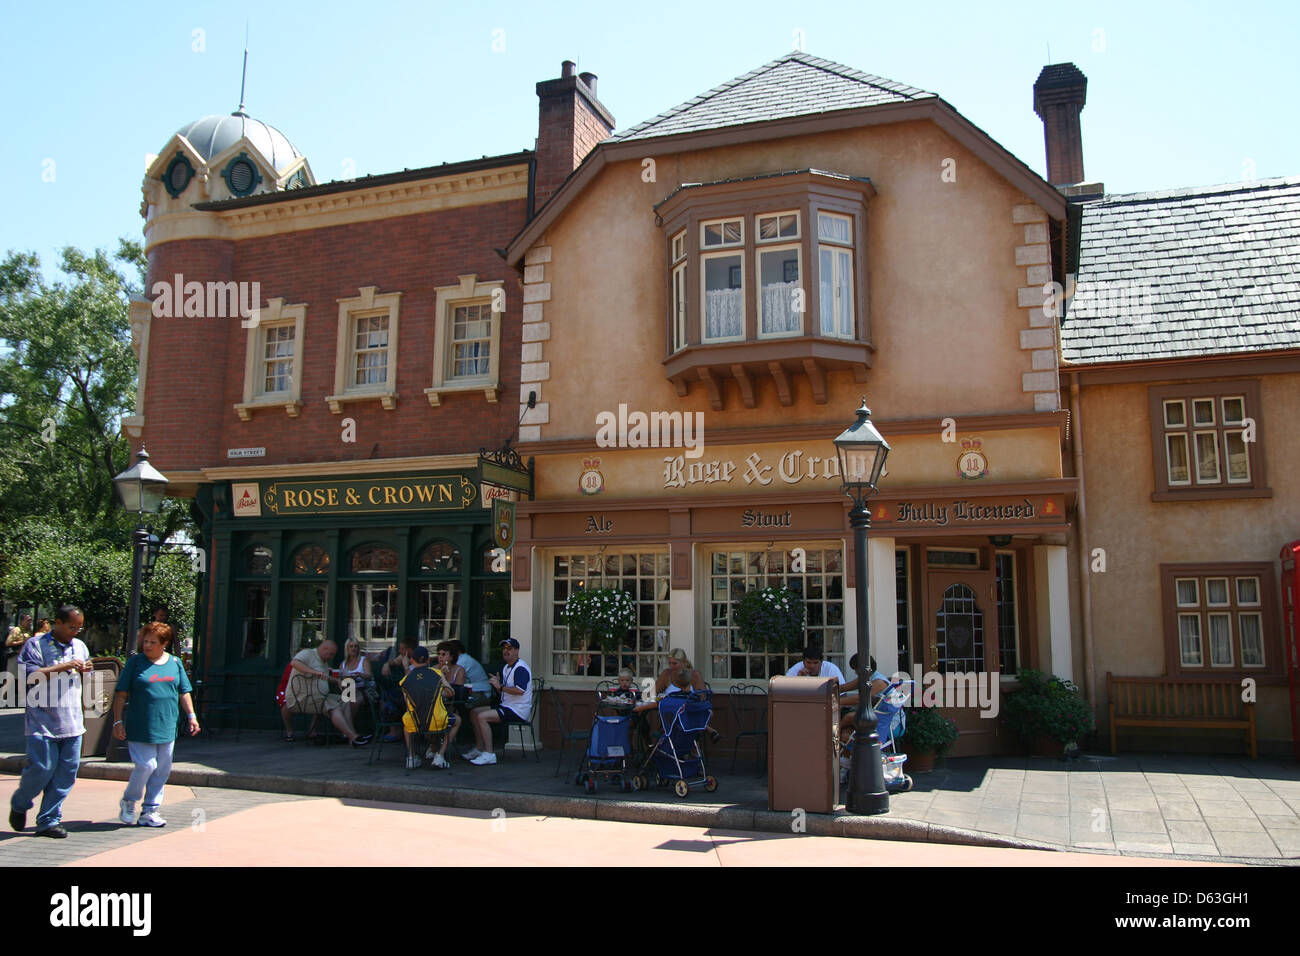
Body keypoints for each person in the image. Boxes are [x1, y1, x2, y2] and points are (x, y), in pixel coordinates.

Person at [8, 606, 91, 838]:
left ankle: (49, 820)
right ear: (58, 622)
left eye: (79, 627)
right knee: (42, 768)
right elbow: (29, 675)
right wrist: (63, 666)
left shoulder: (80, 647)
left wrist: (87, 669)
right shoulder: (36, 645)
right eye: (71, 626)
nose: (75, 631)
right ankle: (20, 802)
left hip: (72, 721)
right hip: (41, 720)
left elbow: (87, 675)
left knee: (66, 774)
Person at [112, 622, 199, 826]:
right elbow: (121, 694)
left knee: (162, 769)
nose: (147, 646)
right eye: (145, 641)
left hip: (167, 724)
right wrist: (118, 721)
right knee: (146, 765)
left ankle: (150, 810)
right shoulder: (135, 663)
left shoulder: (175, 663)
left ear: (164, 643)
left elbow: (183, 691)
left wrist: (191, 716)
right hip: (140, 724)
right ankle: (129, 801)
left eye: (153, 642)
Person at [280, 640, 372, 747]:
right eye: (331, 654)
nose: (331, 657)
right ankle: (353, 737)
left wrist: (337, 681)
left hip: (332, 694)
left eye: (356, 646)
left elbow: (326, 677)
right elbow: (294, 663)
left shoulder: (325, 662)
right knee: (337, 705)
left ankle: (351, 736)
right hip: (304, 698)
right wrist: (315, 672)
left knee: (346, 700)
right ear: (324, 649)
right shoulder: (308, 654)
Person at [465, 638, 531, 766]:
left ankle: (489, 754)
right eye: (504, 648)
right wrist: (498, 686)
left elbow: (519, 691)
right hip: (507, 706)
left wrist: (500, 686)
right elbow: (505, 693)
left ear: (517, 651)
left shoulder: (520, 668)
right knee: (474, 712)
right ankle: (480, 748)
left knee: (482, 717)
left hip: (518, 710)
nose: (506, 651)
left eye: (509, 649)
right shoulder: (506, 668)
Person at [400, 647, 457, 769]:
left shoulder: (405, 680)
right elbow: (451, 692)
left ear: (412, 660)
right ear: (428, 660)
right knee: (457, 721)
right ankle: (439, 755)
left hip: (416, 724)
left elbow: (407, 702)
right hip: (436, 722)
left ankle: (411, 757)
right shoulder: (437, 673)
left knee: (406, 724)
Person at [338, 638, 373, 725]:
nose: (353, 648)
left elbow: (369, 676)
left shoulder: (364, 660)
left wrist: (360, 674)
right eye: (351, 646)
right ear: (347, 649)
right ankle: (348, 729)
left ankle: (347, 728)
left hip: (364, 689)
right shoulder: (343, 664)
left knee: (353, 701)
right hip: (348, 689)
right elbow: (340, 679)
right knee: (344, 701)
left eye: (356, 646)